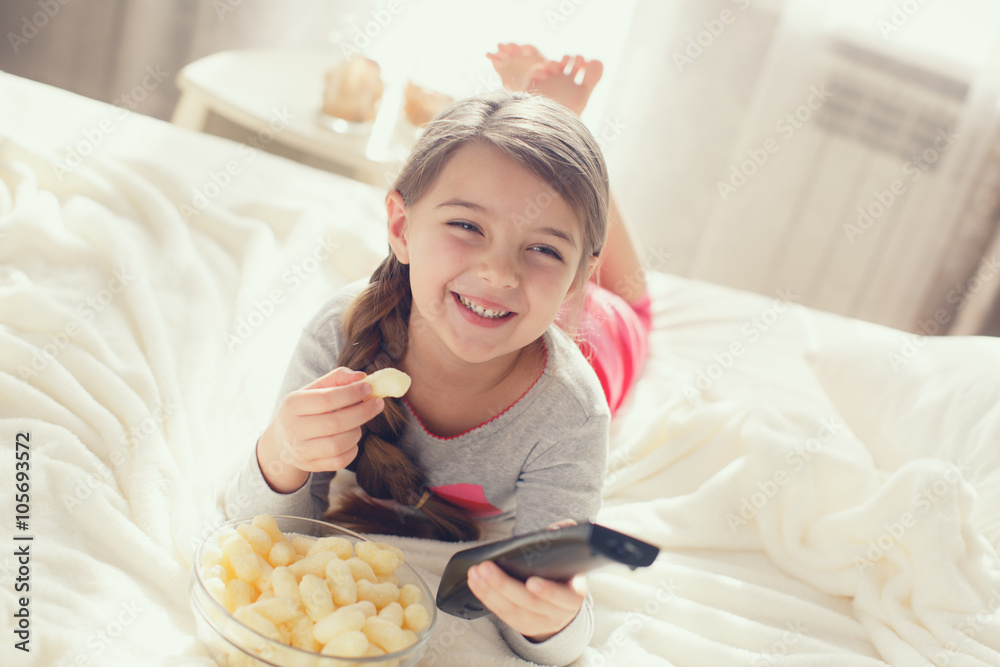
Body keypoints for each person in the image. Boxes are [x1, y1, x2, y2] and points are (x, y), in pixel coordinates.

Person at [226, 46, 649, 666]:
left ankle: (551, 123)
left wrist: (550, 620)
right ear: (400, 227)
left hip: (604, 335)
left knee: (635, 303)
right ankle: (540, 128)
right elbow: (263, 527)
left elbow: (558, 638)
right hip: (550, 305)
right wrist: (280, 453)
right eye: (467, 227)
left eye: (544, 250)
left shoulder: (573, 412)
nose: (498, 273)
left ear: (575, 278)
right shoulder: (339, 333)